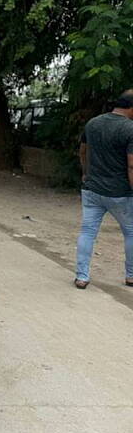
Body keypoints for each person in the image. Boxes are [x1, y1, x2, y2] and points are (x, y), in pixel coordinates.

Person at [75, 90, 133, 289]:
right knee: (131, 232)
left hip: (92, 190)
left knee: (87, 231)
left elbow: (83, 151)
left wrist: (85, 173)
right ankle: (131, 275)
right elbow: (131, 165)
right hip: (121, 193)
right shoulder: (130, 129)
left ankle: (82, 276)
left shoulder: (93, 123)